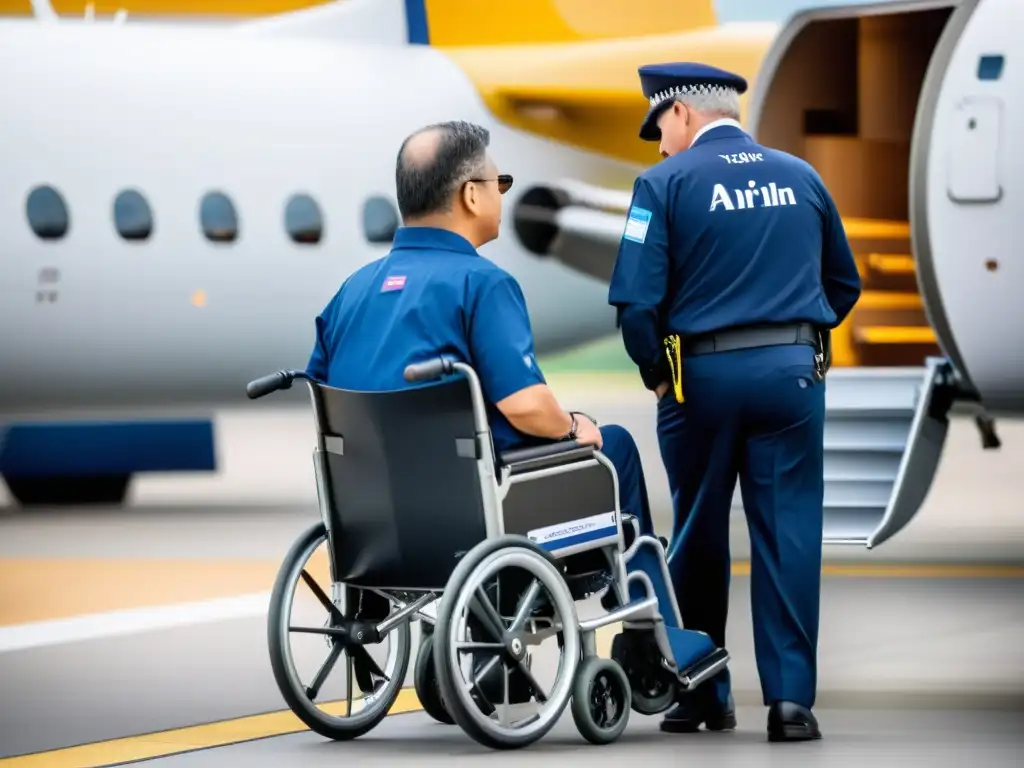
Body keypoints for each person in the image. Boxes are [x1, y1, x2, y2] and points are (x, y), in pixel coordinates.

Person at [304, 119, 659, 699]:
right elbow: (524, 405)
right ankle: (641, 631)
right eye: (500, 182)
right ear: (471, 195)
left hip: (377, 518)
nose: (501, 194)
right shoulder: (482, 284)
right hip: (477, 509)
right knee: (611, 446)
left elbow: (328, 400)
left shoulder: (352, 291)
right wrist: (575, 426)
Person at [607, 63, 862, 742]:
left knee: (696, 533)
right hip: (791, 377)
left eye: (660, 126)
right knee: (788, 532)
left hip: (701, 380)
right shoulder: (802, 177)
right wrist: (795, 343)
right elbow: (844, 283)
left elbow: (636, 306)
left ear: (683, 113)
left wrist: (656, 373)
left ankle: (702, 694)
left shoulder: (661, 184)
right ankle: (789, 704)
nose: (659, 144)